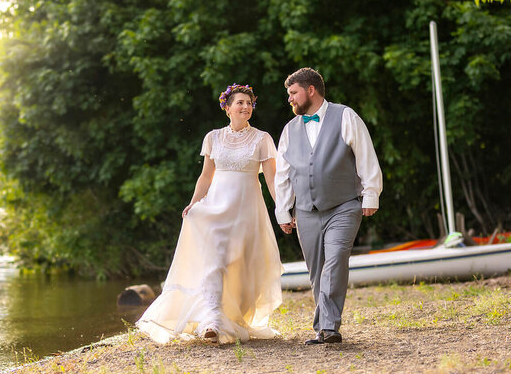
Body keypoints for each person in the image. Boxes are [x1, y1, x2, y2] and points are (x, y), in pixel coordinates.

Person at [136, 84, 284, 345]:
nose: (246, 107)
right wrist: (193, 203)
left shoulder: (263, 139)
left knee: (238, 265)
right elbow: (206, 176)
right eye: (240, 103)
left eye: (249, 103)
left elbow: (272, 180)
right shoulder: (213, 138)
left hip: (247, 210)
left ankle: (232, 317)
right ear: (227, 108)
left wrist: (282, 209)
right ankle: (211, 321)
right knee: (214, 262)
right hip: (215, 207)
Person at [274, 68, 382, 345]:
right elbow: (283, 176)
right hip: (306, 212)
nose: (291, 100)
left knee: (335, 261)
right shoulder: (289, 130)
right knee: (317, 270)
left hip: (343, 206)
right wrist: (283, 210)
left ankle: (328, 326)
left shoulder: (345, 115)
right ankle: (324, 328)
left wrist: (370, 195)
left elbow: (365, 154)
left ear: (311, 90)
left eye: (293, 93)